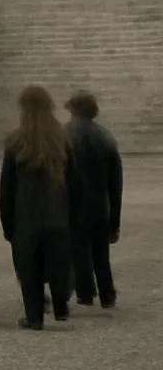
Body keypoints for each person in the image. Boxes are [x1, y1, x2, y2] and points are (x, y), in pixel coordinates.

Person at [0, 85, 83, 330]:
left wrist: (8, 224)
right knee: (58, 262)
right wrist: (74, 217)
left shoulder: (15, 142)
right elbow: (75, 184)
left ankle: (34, 317)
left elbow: (7, 189)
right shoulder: (63, 140)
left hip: (26, 217)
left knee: (29, 269)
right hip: (57, 214)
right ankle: (60, 306)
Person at [65, 90, 123, 308]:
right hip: (100, 205)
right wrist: (114, 221)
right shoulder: (105, 136)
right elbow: (115, 183)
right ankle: (107, 294)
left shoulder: (64, 134)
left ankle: (85, 292)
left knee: (78, 251)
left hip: (74, 205)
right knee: (101, 254)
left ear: (73, 109)